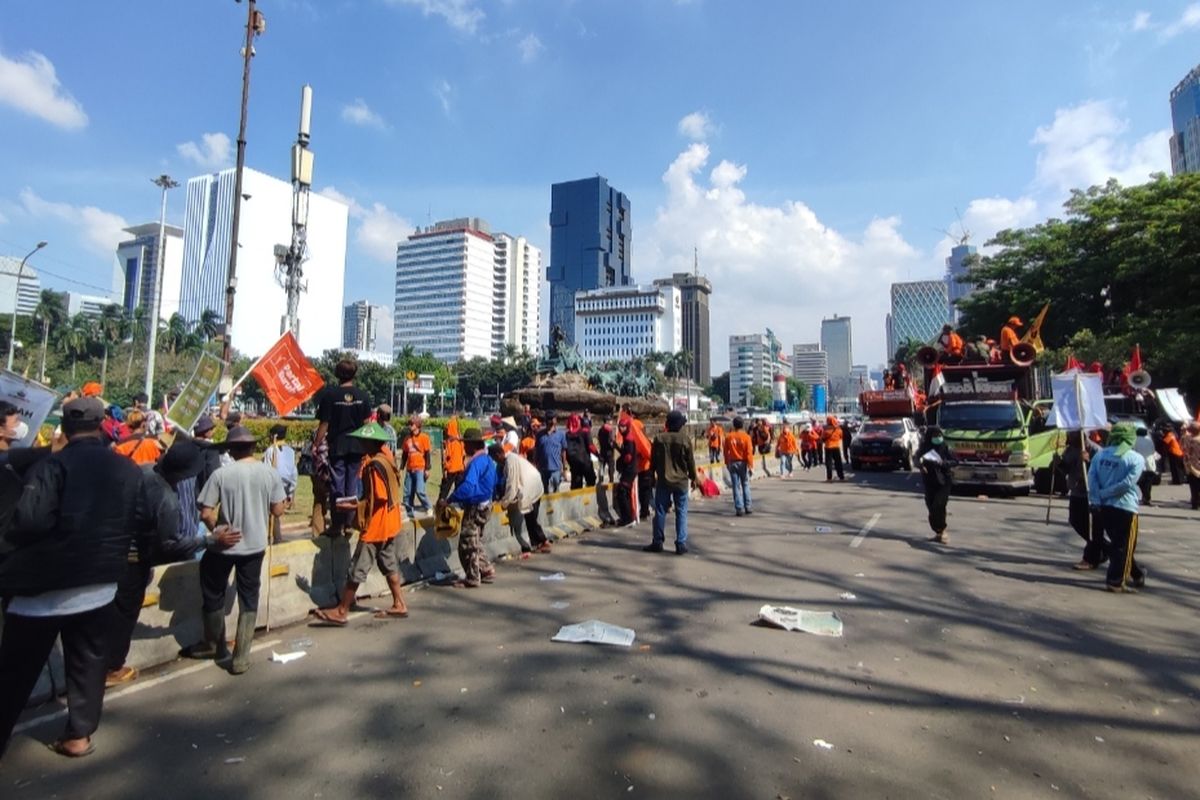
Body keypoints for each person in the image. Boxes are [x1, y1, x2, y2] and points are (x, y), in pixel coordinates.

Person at [0, 397, 160, 758]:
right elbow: (140, 522)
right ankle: (78, 736)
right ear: (103, 424)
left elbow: (30, 520)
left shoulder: (53, 465)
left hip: (42, 589)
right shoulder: (129, 470)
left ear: (66, 429)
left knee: (14, 674)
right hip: (101, 585)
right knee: (88, 662)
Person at [106, 439, 208, 687]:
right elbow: (170, 544)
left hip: (108, 548)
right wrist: (208, 541)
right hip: (133, 559)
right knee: (125, 613)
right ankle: (112, 668)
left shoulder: (144, 471)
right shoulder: (167, 501)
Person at [193, 426, 287, 674]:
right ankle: (241, 657)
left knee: (212, 593)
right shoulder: (269, 473)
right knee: (249, 597)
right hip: (255, 545)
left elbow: (205, 512)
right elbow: (277, 511)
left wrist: (217, 531)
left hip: (224, 545)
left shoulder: (221, 475)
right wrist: (283, 501)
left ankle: (217, 645)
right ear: (253, 448)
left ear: (231, 450)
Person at [312, 422, 409, 625]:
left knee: (357, 567)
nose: (360, 445)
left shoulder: (374, 465)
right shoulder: (387, 457)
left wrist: (356, 506)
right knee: (388, 563)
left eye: (363, 441)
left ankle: (342, 610)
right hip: (391, 521)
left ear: (370, 443)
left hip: (377, 524)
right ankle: (399, 603)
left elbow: (379, 496)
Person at [1088, 424, 1147, 593]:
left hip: (1104, 507)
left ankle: (1135, 573)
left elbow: (1092, 479)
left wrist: (1097, 498)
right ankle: (1116, 581)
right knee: (1125, 546)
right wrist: (1106, 493)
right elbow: (1127, 484)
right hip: (1125, 506)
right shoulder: (1135, 458)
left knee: (1118, 544)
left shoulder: (1100, 455)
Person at [314, 360, 371, 535]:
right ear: (355, 375)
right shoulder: (363, 396)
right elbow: (367, 424)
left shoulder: (330, 395)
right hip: (356, 447)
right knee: (352, 484)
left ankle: (337, 524)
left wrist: (316, 444)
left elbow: (324, 423)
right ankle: (349, 523)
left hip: (337, 446)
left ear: (337, 375)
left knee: (337, 485)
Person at [439, 431, 497, 588]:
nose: (463, 446)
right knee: (476, 540)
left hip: (475, 506)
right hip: (486, 504)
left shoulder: (476, 463)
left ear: (472, 445)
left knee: (467, 542)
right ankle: (486, 569)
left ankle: (473, 577)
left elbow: (468, 487)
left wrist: (450, 499)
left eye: (465, 444)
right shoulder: (487, 460)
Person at [644, 411, 699, 555]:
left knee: (660, 511)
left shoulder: (659, 439)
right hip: (681, 482)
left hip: (663, 481)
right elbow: (690, 463)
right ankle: (680, 543)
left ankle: (657, 541)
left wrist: (651, 475)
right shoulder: (685, 440)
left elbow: (653, 461)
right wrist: (694, 478)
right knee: (681, 512)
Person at [496, 442, 551, 555]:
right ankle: (541, 541)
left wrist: (504, 503)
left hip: (531, 487)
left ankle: (538, 542)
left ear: (498, 455)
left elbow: (512, 485)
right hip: (534, 485)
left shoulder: (510, 461)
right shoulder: (510, 460)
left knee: (529, 516)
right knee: (531, 517)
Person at [1061, 431, 1104, 569]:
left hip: (1090, 494)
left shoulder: (1095, 449)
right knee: (1075, 521)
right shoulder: (1070, 450)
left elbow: (1101, 472)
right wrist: (1058, 463)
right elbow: (1065, 469)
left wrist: (1088, 462)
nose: (1069, 437)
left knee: (1091, 526)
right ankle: (1103, 548)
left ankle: (1092, 556)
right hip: (1075, 491)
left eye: (1072, 434)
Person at [916, 426, 955, 544]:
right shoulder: (924, 446)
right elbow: (917, 459)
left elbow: (955, 460)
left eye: (939, 436)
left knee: (939, 505)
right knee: (931, 506)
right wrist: (921, 466)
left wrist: (944, 463)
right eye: (935, 436)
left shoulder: (945, 447)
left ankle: (943, 530)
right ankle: (938, 532)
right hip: (929, 481)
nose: (938, 438)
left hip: (944, 481)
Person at [263, 424, 298, 544]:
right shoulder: (290, 451)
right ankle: (274, 538)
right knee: (275, 514)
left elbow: (266, 470)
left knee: (271, 513)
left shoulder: (271, 451)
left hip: (274, 485)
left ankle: (273, 538)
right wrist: (291, 490)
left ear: (274, 436)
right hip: (285, 486)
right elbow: (294, 473)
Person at [400, 415, 433, 516]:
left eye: (412, 424)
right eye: (409, 424)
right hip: (410, 468)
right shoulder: (407, 438)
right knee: (408, 492)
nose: (410, 426)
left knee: (419, 490)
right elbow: (405, 454)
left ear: (418, 425)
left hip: (420, 468)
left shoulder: (424, 438)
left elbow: (427, 454)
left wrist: (427, 469)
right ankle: (409, 511)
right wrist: (401, 467)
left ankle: (428, 507)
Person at [723, 416, 755, 516]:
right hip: (743, 462)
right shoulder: (746, 437)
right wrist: (750, 465)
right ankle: (748, 506)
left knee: (735, 486)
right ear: (742, 425)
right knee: (745, 484)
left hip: (733, 462)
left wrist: (727, 463)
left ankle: (739, 507)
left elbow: (725, 451)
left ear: (734, 425)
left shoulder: (729, 436)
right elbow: (749, 452)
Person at [613, 418, 639, 526]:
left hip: (629, 470)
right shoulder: (626, 438)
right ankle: (628, 517)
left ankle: (627, 518)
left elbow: (628, 457)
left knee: (622, 492)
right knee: (625, 493)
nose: (621, 429)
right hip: (629, 470)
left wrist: (620, 460)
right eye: (620, 426)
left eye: (623, 426)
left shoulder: (629, 439)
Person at [536, 414, 567, 493]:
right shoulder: (539, 435)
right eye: (548, 419)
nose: (550, 421)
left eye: (551, 419)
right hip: (543, 469)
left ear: (555, 420)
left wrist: (564, 469)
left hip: (556, 469)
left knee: (556, 492)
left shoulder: (561, 434)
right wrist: (536, 466)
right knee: (544, 492)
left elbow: (563, 452)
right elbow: (536, 451)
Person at [192, 414, 223, 491]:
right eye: (211, 428)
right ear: (206, 431)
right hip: (205, 494)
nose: (213, 431)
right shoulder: (211, 449)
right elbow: (213, 474)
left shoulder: (188, 445)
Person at [439, 415, 466, 501]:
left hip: (451, 469)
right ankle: (459, 503)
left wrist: (445, 467)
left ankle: (441, 502)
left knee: (445, 489)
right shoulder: (460, 441)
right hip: (460, 468)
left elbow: (447, 456)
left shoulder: (450, 443)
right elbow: (464, 455)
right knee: (459, 488)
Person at [565, 413, 596, 489]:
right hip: (585, 462)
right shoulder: (585, 432)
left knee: (576, 486)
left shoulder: (567, 435)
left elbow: (565, 450)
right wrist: (598, 455)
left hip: (574, 463)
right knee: (591, 481)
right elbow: (591, 446)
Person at [1133, 426, 1159, 506]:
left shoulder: (1135, 441)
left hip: (1140, 464)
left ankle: (1145, 497)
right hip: (1150, 463)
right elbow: (1153, 451)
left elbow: (1133, 451)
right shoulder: (1149, 441)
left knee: (1141, 482)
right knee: (1148, 482)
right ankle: (1147, 497)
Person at [822, 416, 846, 482]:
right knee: (838, 462)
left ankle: (829, 478)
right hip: (836, 447)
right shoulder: (839, 429)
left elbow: (823, 438)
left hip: (828, 447)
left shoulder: (826, 430)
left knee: (829, 463)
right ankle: (841, 477)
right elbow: (841, 437)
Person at [1183, 421, 1200, 511]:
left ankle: (1195, 503)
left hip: (1193, 467)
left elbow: (1185, 452)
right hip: (1195, 466)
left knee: (1194, 487)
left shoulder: (1189, 440)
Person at [596, 417, 616, 482]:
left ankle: (601, 481)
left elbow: (598, 439)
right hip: (609, 451)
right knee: (611, 467)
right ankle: (611, 481)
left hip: (602, 451)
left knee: (601, 468)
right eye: (610, 420)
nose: (612, 422)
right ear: (607, 421)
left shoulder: (600, 429)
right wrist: (614, 446)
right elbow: (611, 441)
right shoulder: (610, 430)